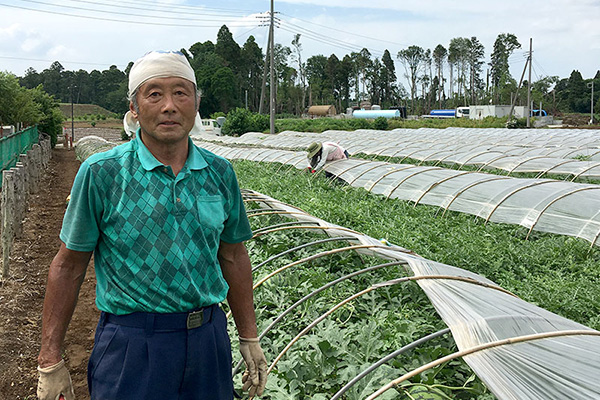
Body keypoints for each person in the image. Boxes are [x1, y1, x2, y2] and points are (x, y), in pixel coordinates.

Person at [36, 50, 267, 400]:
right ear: (134, 107)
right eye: (154, 93)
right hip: (132, 345)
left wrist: (248, 336)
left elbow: (233, 256)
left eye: (181, 92)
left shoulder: (219, 174)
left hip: (208, 340)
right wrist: (50, 360)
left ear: (195, 103)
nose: (169, 105)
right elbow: (68, 266)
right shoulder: (103, 173)